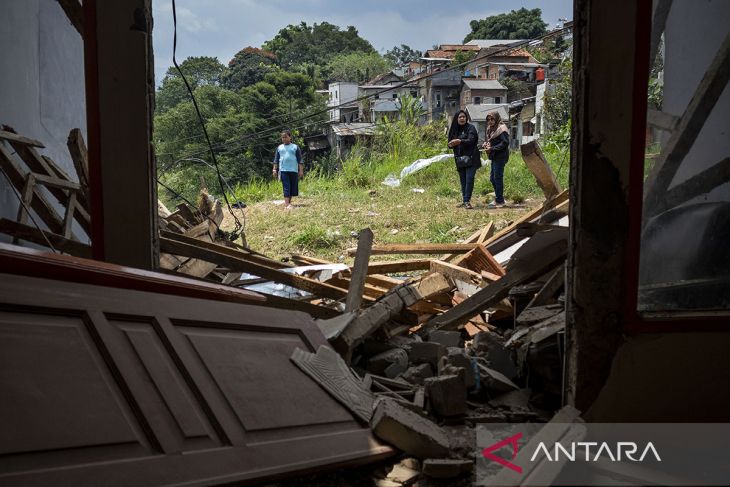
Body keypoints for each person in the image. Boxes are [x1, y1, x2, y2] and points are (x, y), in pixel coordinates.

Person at [447, 110, 481, 209]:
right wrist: (451, 144)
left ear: (466, 118)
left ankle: (467, 201)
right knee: (463, 180)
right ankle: (464, 200)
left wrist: (459, 141)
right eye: (460, 117)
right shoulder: (454, 130)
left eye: (464, 117)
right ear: (456, 119)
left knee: (469, 179)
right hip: (460, 159)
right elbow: (449, 144)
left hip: (472, 158)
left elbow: (471, 140)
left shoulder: (471, 128)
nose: (462, 118)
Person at [482, 111, 510, 208]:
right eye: (488, 119)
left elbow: (505, 143)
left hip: (500, 156)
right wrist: (486, 144)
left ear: (497, 118)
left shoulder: (502, 129)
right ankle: (499, 197)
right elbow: (491, 141)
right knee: (492, 178)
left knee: (497, 177)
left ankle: (500, 200)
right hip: (494, 156)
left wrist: (492, 148)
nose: (490, 121)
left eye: (492, 119)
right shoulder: (490, 129)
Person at [272, 130, 304, 209]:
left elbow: (300, 160)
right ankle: (287, 204)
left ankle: (288, 202)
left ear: (290, 137)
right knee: (286, 186)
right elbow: (276, 160)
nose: (284, 139)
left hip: (293, 170)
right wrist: (274, 169)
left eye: (285, 137)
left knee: (292, 187)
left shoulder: (295, 147)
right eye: (282, 137)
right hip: (283, 170)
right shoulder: (280, 148)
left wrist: (301, 171)